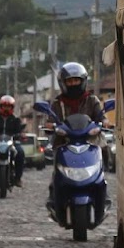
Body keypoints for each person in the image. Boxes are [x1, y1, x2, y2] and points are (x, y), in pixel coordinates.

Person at [47, 62, 105, 212]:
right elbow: (51, 120)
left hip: (89, 140)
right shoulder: (57, 103)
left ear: (83, 81)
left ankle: (102, 191)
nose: (73, 84)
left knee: (102, 153)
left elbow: (101, 116)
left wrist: (104, 122)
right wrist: (50, 125)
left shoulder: (92, 100)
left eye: (76, 80)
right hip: (64, 142)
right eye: (69, 81)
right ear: (63, 83)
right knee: (56, 163)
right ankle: (54, 192)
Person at [0, 95, 26, 186]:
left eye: (8, 106)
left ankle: (18, 178)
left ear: (12, 107)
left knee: (20, 153)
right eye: (4, 106)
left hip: (12, 142)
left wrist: (20, 135)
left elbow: (20, 130)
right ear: (1, 107)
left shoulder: (16, 120)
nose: (6, 108)